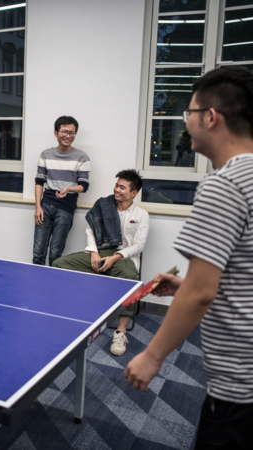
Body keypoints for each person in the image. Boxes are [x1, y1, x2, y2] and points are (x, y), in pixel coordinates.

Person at [124, 66, 253, 449]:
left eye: (190, 114)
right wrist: (188, 284)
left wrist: (152, 354)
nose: (188, 124)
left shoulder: (224, 183)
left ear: (210, 118)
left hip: (238, 383)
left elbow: (201, 292)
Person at [52, 169, 149, 356]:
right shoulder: (103, 205)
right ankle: (65, 316)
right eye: (116, 185)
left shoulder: (142, 215)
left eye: (122, 187)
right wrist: (94, 253)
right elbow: (90, 231)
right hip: (99, 252)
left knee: (130, 278)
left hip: (123, 257)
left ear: (133, 193)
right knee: (59, 264)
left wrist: (115, 257)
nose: (117, 190)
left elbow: (138, 246)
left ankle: (120, 332)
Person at [33, 116, 90, 265]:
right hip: (45, 206)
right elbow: (39, 181)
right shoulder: (46, 154)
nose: (68, 136)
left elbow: (84, 186)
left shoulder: (82, 157)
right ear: (56, 133)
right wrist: (38, 207)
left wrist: (69, 189)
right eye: (64, 131)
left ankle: (53, 286)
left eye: (72, 133)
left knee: (55, 254)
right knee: (38, 252)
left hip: (66, 207)